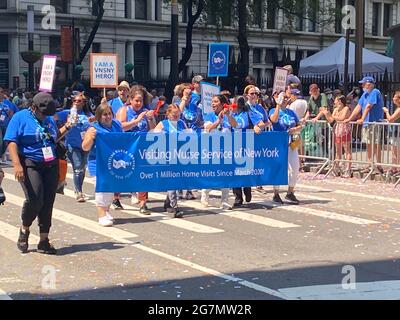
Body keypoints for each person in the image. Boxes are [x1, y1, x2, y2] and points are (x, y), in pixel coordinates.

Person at [4, 92, 72, 254]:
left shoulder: (48, 118)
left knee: (48, 201)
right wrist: (16, 164)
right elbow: (11, 140)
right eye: (43, 113)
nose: (46, 117)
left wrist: (68, 127)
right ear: (34, 107)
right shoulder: (20, 117)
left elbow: (53, 137)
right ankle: (24, 228)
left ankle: (44, 239)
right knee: (35, 199)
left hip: (51, 164)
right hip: (29, 163)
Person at [82, 102, 124, 227]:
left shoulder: (117, 125)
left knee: (110, 189)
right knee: (101, 188)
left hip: (113, 163)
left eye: (109, 114)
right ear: (99, 116)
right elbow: (85, 147)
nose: (107, 116)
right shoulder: (93, 128)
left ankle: (106, 211)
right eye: (104, 114)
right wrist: (90, 138)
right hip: (98, 163)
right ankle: (101, 214)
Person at [116, 87, 156, 214]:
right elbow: (120, 126)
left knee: (143, 174)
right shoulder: (124, 110)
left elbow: (153, 131)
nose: (139, 103)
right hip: (127, 147)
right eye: (136, 101)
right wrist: (137, 120)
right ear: (131, 100)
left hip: (142, 148)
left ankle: (143, 203)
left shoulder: (146, 111)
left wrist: (150, 119)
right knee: (123, 173)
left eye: (141, 101)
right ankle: (116, 197)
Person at [201, 94, 237, 210]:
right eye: (212, 102)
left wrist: (228, 115)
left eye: (216, 102)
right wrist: (218, 120)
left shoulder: (228, 115)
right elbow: (208, 128)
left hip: (226, 150)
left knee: (225, 175)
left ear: (222, 104)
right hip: (212, 150)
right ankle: (205, 193)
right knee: (211, 174)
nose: (213, 104)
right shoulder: (209, 115)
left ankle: (224, 200)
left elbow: (234, 125)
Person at [55, 92, 93, 201]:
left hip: (85, 145)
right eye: (74, 100)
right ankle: (78, 192)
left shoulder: (88, 115)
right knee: (78, 167)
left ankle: (79, 188)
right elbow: (54, 117)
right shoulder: (67, 113)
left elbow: (95, 123)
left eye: (79, 101)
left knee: (83, 168)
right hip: (72, 145)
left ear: (84, 103)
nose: (76, 102)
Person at [344, 76, 384, 173]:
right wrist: (349, 119)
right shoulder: (365, 94)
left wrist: (362, 118)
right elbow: (359, 107)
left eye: (363, 83)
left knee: (376, 143)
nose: (362, 85)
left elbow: (368, 106)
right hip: (367, 123)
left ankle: (378, 164)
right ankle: (370, 164)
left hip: (374, 122)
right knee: (368, 143)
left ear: (369, 84)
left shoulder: (375, 92)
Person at [153, 104, 186, 218]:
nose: (176, 117)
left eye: (178, 115)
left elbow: (189, 135)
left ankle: (168, 201)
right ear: (168, 114)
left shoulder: (181, 123)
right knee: (172, 180)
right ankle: (174, 207)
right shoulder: (163, 124)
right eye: (174, 115)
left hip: (180, 156)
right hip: (168, 156)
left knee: (177, 180)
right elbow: (154, 137)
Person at [269, 92, 302, 205]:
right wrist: (278, 105)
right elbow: (274, 120)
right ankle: (276, 193)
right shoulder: (273, 110)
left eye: (286, 98)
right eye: (282, 98)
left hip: (292, 142)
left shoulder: (291, 112)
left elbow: (299, 125)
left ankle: (290, 192)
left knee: (295, 167)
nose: (284, 100)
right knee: (278, 168)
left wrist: (295, 129)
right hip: (278, 143)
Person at [232, 96, 265, 207]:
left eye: (235, 104)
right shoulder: (232, 115)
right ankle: (238, 197)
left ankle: (247, 189)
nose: (233, 106)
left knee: (246, 169)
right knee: (235, 171)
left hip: (248, 144)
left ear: (240, 105)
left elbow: (262, 123)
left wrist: (257, 126)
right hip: (234, 145)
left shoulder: (248, 113)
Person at [319, 96, 352, 178]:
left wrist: (333, 117)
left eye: (336, 100)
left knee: (347, 149)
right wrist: (328, 114)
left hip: (345, 130)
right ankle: (337, 168)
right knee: (338, 151)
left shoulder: (346, 108)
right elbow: (332, 119)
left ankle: (348, 168)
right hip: (337, 130)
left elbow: (342, 118)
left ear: (340, 101)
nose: (334, 102)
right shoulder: (335, 109)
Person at [383, 90, 400, 176]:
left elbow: (391, 119)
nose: (393, 98)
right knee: (395, 150)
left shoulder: (399, 109)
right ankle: (395, 168)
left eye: (395, 97)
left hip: (397, 132)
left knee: (395, 150)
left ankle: (395, 168)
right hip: (396, 131)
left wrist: (386, 112)